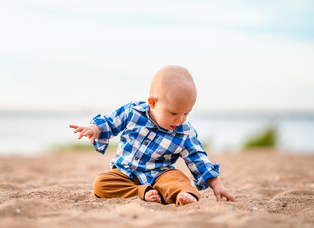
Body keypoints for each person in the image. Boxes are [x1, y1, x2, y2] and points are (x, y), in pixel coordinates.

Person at [70, 65, 235, 205]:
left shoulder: (184, 132)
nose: (180, 119)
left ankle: (183, 195)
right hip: (125, 173)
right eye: (174, 113)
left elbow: (199, 159)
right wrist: (94, 129)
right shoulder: (133, 112)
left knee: (178, 178)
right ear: (153, 102)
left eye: (186, 113)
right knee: (101, 184)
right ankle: (140, 191)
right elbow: (110, 122)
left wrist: (217, 185)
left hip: (160, 174)